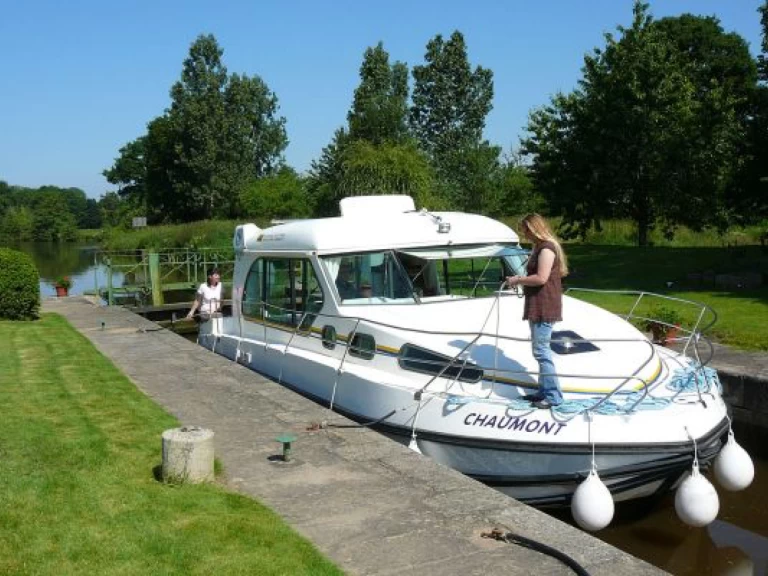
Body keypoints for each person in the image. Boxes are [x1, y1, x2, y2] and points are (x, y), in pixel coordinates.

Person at [505, 214, 568, 409]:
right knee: (541, 351)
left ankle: (554, 397)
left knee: (541, 352)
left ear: (533, 229)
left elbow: (541, 278)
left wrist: (517, 280)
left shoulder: (546, 249)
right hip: (540, 304)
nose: (524, 234)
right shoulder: (541, 248)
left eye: (525, 230)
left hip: (544, 305)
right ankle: (543, 391)